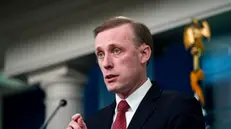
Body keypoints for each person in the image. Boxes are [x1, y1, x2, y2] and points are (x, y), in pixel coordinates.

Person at [66, 16, 205, 129]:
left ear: (144, 54)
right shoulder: (93, 124)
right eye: (100, 54)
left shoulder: (179, 107)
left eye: (116, 50)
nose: (106, 63)